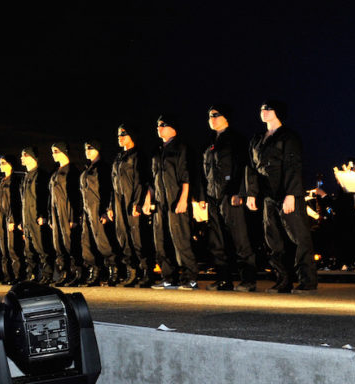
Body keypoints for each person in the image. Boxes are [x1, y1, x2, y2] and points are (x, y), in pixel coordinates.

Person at [246, 100, 317, 293]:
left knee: (299, 237)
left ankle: (307, 281)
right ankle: (283, 280)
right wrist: (251, 193)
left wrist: (291, 194)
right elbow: (251, 169)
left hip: (287, 194)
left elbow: (293, 167)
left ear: (278, 112)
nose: (264, 112)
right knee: (273, 239)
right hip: (268, 196)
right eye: (262, 108)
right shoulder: (257, 139)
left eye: (268, 108)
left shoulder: (289, 137)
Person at [194, 104, 257, 292]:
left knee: (240, 238)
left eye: (215, 115)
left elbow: (244, 167)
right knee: (216, 240)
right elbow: (203, 171)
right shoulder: (208, 141)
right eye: (209, 116)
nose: (211, 119)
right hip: (213, 196)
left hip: (230, 195)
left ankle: (248, 279)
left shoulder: (237, 140)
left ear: (226, 117)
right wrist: (202, 196)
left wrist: (239, 192)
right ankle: (223, 279)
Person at [144, 115, 199, 290]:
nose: (159, 128)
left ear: (173, 128)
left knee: (181, 238)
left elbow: (186, 175)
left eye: (163, 125)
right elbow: (152, 180)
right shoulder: (157, 150)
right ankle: (169, 277)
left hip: (176, 199)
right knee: (161, 240)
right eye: (157, 125)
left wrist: (184, 199)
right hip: (160, 202)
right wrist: (147, 200)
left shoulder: (181, 148)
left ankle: (190, 277)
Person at [110, 124, 153, 287]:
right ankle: (132, 271)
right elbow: (113, 184)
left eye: (123, 134)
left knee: (138, 237)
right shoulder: (118, 157)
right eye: (118, 134)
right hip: (119, 202)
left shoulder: (138, 156)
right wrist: (110, 206)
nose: (120, 137)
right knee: (123, 236)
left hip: (133, 201)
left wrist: (138, 202)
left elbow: (142, 181)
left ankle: (146, 272)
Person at [79, 140, 118, 286]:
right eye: (85, 148)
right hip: (87, 210)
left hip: (98, 209)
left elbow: (108, 190)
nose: (87, 151)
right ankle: (95, 272)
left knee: (104, 242)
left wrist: (106, 209)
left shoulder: (103, 168)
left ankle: (113, 270)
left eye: (91, 148)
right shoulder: (86, 169)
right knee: (87, 243)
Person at [48, 143, 83, 286]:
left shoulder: (73, 172)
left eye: (55, 151)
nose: (53, 154)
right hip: (56, 213)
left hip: (67, 213)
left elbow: (75, 196)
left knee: (70, 244)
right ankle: (64, 273)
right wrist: (50, 216)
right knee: (59, 244)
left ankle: (76, 273)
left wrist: (73, 216)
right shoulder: (55, 172)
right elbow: (51, 197)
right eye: (52, 152)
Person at [19, 147, 53, 284]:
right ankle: (32, 274)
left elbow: (45, 197)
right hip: (27, 218)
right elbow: (24, 201)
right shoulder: (26, 176)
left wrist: (44, 214)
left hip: (37, 218)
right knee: (29, 249)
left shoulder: (42, 175)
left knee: (42, 247)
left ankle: (47, 274)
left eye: (24, 155)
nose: (21, 158)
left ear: (33, 157)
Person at [0, 155, 21, 284]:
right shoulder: (2, 182)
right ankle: (7, 275)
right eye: (0, 163)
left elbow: (15, 202)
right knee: (3, 248)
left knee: (12, 248)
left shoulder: (15, 181)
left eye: (3, 163)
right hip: (1, 218)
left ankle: (17, 275)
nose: (1, 165)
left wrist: (12, 219)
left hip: (10, 218)